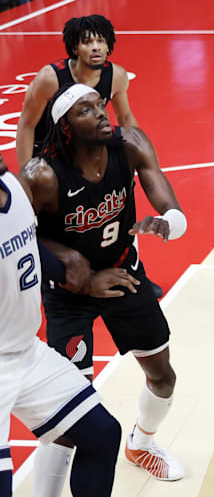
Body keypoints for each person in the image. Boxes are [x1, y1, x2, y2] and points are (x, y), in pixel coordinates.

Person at [23, 83, 188, 488]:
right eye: (85, 110)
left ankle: (142, 444)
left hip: (123, 273)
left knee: (163, 376)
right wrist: (70, 265)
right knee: (68, 415)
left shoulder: (128, 142)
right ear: (64, 127)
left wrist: (167, 222)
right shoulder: (41, 174)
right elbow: (18, 237)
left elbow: (173, 209)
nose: (101, 113)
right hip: (67, 294)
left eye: (100, 105)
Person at [0, 152, 125, 497]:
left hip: (26, 352)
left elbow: (24, 246)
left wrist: (72, 269)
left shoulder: (14, 189)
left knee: (101, 434)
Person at [16, 15, 138, 169]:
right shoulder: (49, 79)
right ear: (75, 49)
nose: (96, 47)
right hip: (50, 149)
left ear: (108, 46)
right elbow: (27, 125)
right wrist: (26, 172)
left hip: (85, 147)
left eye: (100, 41)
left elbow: (125, 117)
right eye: (87, 42)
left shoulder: (116, 76)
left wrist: (138, 154)